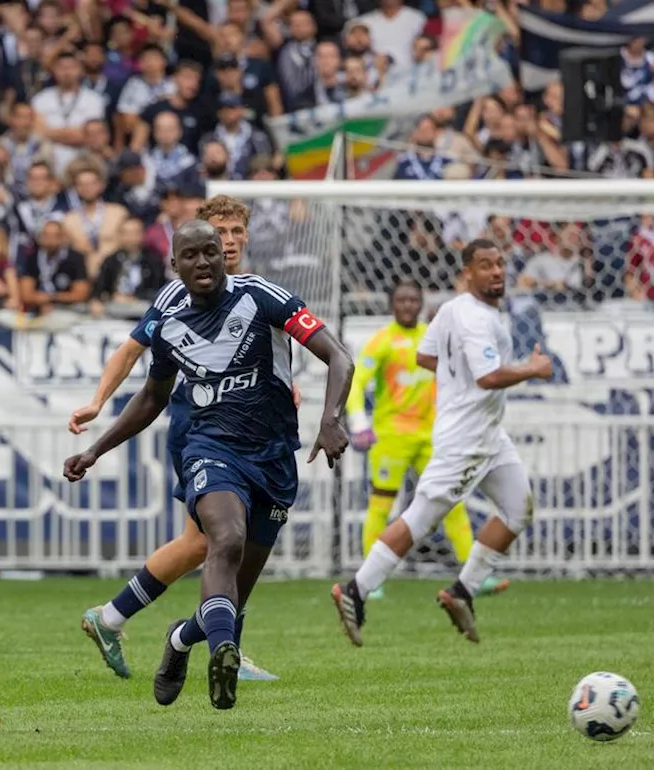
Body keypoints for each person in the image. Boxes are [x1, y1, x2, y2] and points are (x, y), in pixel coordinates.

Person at [64, 219, 354, 710]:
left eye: (211, 252)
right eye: (191, 256)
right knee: (225, 539)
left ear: (225, 255)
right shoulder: (168, 320)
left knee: (231, 596)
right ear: (174, 265)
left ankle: (180, 640)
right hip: (211, 449)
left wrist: (331, 420)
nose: (203, 263)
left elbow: (339, 357)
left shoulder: (263, 296)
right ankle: (225, 652)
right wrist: (96, 448)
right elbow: (152, 397)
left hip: (275, 458)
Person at [70, 197, 290, 683]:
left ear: (245, 237)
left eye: (235, 231)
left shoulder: (255, 292)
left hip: (252, 429)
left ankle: (113, 617)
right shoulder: (175, 298)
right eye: (218, 232)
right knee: (219, 542)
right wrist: (97, 402)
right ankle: (219, 641)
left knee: (207, 546)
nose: (226, 242)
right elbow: (132, 351)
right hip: (202, 426)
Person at [333, 239, 552, 647]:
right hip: (465, 437)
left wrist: (457, 377)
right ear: (466, 272)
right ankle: (356, 590)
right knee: (420, 517)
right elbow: (487, 377)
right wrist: (532, 369)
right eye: (485, 265)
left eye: (500, 264)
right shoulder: (472, 318)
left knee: (517, 508)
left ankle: (463, 591)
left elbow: (425, 356)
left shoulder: (454, 310)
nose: (496, 272)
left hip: (490, 434)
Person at [347, 279, 509, 600]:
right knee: (381, 505)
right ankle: (371, 579)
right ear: (392, 304)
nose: (407, 306)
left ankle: (472, 575)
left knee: (451, 502)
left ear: (421, 304)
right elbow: (356, 382)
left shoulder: (431, 338)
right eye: (401, 300)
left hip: (433, 436)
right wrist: (358, 422)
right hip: (391, 437)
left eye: (413, 300)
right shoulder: (382, 341)